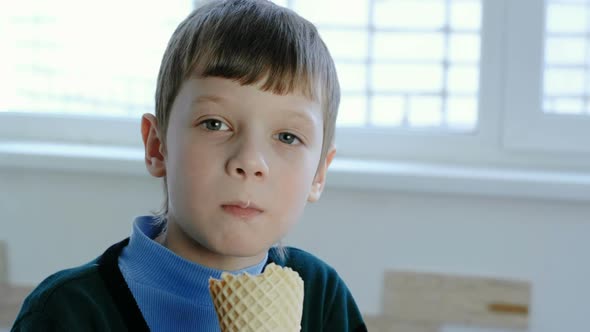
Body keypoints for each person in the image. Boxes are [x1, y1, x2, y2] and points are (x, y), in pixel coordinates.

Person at [12, 0, 367, 331]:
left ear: (320, 173)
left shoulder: (322, 299)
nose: (249, 161)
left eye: (288, 137)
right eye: (215, 124)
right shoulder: (67, 313)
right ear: (157, 146)